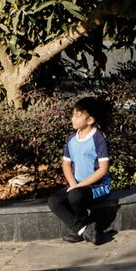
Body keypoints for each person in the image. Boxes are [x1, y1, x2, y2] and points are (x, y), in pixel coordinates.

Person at [47, 95, 118, 244]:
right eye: (73, 115)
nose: (73, 119)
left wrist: (78, 187)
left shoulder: (98, 138)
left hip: (97, 186)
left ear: (90, 120)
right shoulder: (71, 139)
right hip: (77, 185)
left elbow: (103, 169)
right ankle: (84, 230)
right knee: (54, 201)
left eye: (78, 116)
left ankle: (81, 229)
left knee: (75, 196)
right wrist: (73, 184)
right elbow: (66, 165)